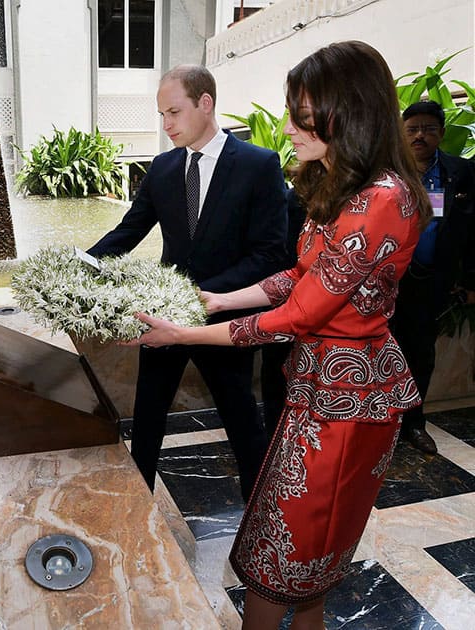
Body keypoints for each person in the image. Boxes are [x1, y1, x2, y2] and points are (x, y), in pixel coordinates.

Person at [129, 41, 431, 628]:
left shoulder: (384, 200)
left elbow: (299, 315)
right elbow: (297, 276)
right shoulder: (344, 185)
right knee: (294, 556)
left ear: (350, 110)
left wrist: (188, 332)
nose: (288, 127)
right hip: (313, 393)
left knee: (283, 563)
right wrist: (216, 299)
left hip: (347, 408)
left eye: (302, 113)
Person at [86, 65, 289, 501]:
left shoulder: (258, 165)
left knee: (240, 417)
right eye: (162, 115)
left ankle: (259, 513)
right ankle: (138, 500)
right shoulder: (161, 168)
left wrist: (206, 296)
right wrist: (79, 267)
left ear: (206, 103)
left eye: (174, 112)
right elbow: (128, 231)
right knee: (148, 415)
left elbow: (271, 254)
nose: (166, 125)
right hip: (163, 317)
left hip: (227, 320)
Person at [389, 101, 475, 455]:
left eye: (428, 128)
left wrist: (469, 281)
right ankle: (383, 425)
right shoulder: (389, 170)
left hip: (430, 282)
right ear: (402, 134)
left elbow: (471, 231)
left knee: (421, 353)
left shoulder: (462, 173)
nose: (420, 135)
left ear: (441, 132)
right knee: (383, 354)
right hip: (386, 283)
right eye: (412, 129)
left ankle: (414, 423)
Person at [259, 187, 307, 437]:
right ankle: (275, 432)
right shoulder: (298, 195)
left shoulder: (377, 197)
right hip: (286, 301)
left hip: (335, 326)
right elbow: (288, 260)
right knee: (276, 370)